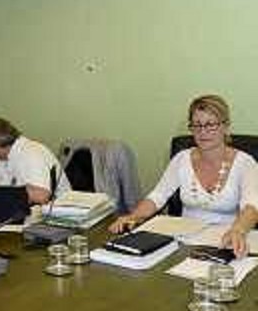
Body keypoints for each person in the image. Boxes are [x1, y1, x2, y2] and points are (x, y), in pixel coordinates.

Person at [109, 95, 258, 257]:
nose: (203, 132)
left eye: (210, 125)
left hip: (227, 241)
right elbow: (158, 196)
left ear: (225, 126)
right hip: (184, 242)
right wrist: (133, 216)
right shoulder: (182, 159)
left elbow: (251, 206)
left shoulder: (245, 163)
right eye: (197, 125)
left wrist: (238, 231)